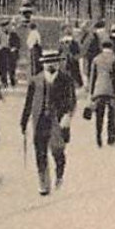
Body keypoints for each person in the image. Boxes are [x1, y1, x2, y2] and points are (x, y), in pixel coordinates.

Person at [20, 49, 76, 196]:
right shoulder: (35, 80)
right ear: (43, 64)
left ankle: (59, 175)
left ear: (58, 63)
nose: (51, 65)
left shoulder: (66, 80)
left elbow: (72, 101)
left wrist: (68, 116)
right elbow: (28, 102)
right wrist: (24, 121)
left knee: (58, 150)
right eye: (48, 62)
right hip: (40, 120)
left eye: (54, 62)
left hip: (58, 121)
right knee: (40, 152)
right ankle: (43, 183)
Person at [89, 38, 115, 148]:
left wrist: (91, 93)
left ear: (102, 47)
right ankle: (111, 140)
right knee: (112, 116)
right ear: (112, 47)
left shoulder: (96, 59)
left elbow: (92, 77)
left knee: (99, 115)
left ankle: (98, 139)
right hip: (111, 91)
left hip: (98, 90)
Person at [59, 24, 84, 88]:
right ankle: (77, 84)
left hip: (64, 59)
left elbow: (60, 51)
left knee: (65, 71)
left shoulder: (62, 42)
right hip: (72, 59)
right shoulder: (73, 41)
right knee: (74, 72)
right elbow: (77, 51)